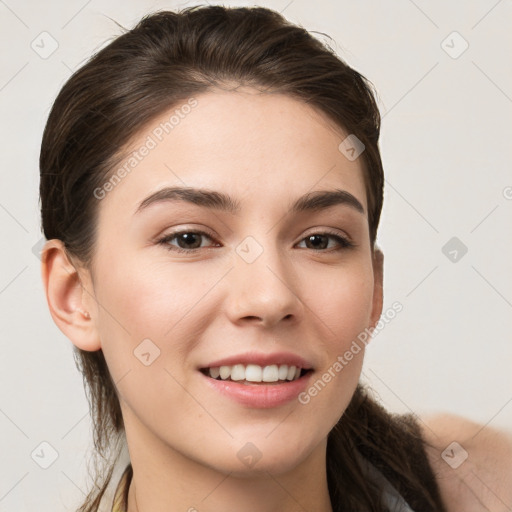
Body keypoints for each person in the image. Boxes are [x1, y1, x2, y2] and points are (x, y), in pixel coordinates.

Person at [38, 5, 512, 512]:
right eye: (190, 239)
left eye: (319, 241)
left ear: (375, 291)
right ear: (74, 296)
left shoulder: (483, 487)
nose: (268, 297)